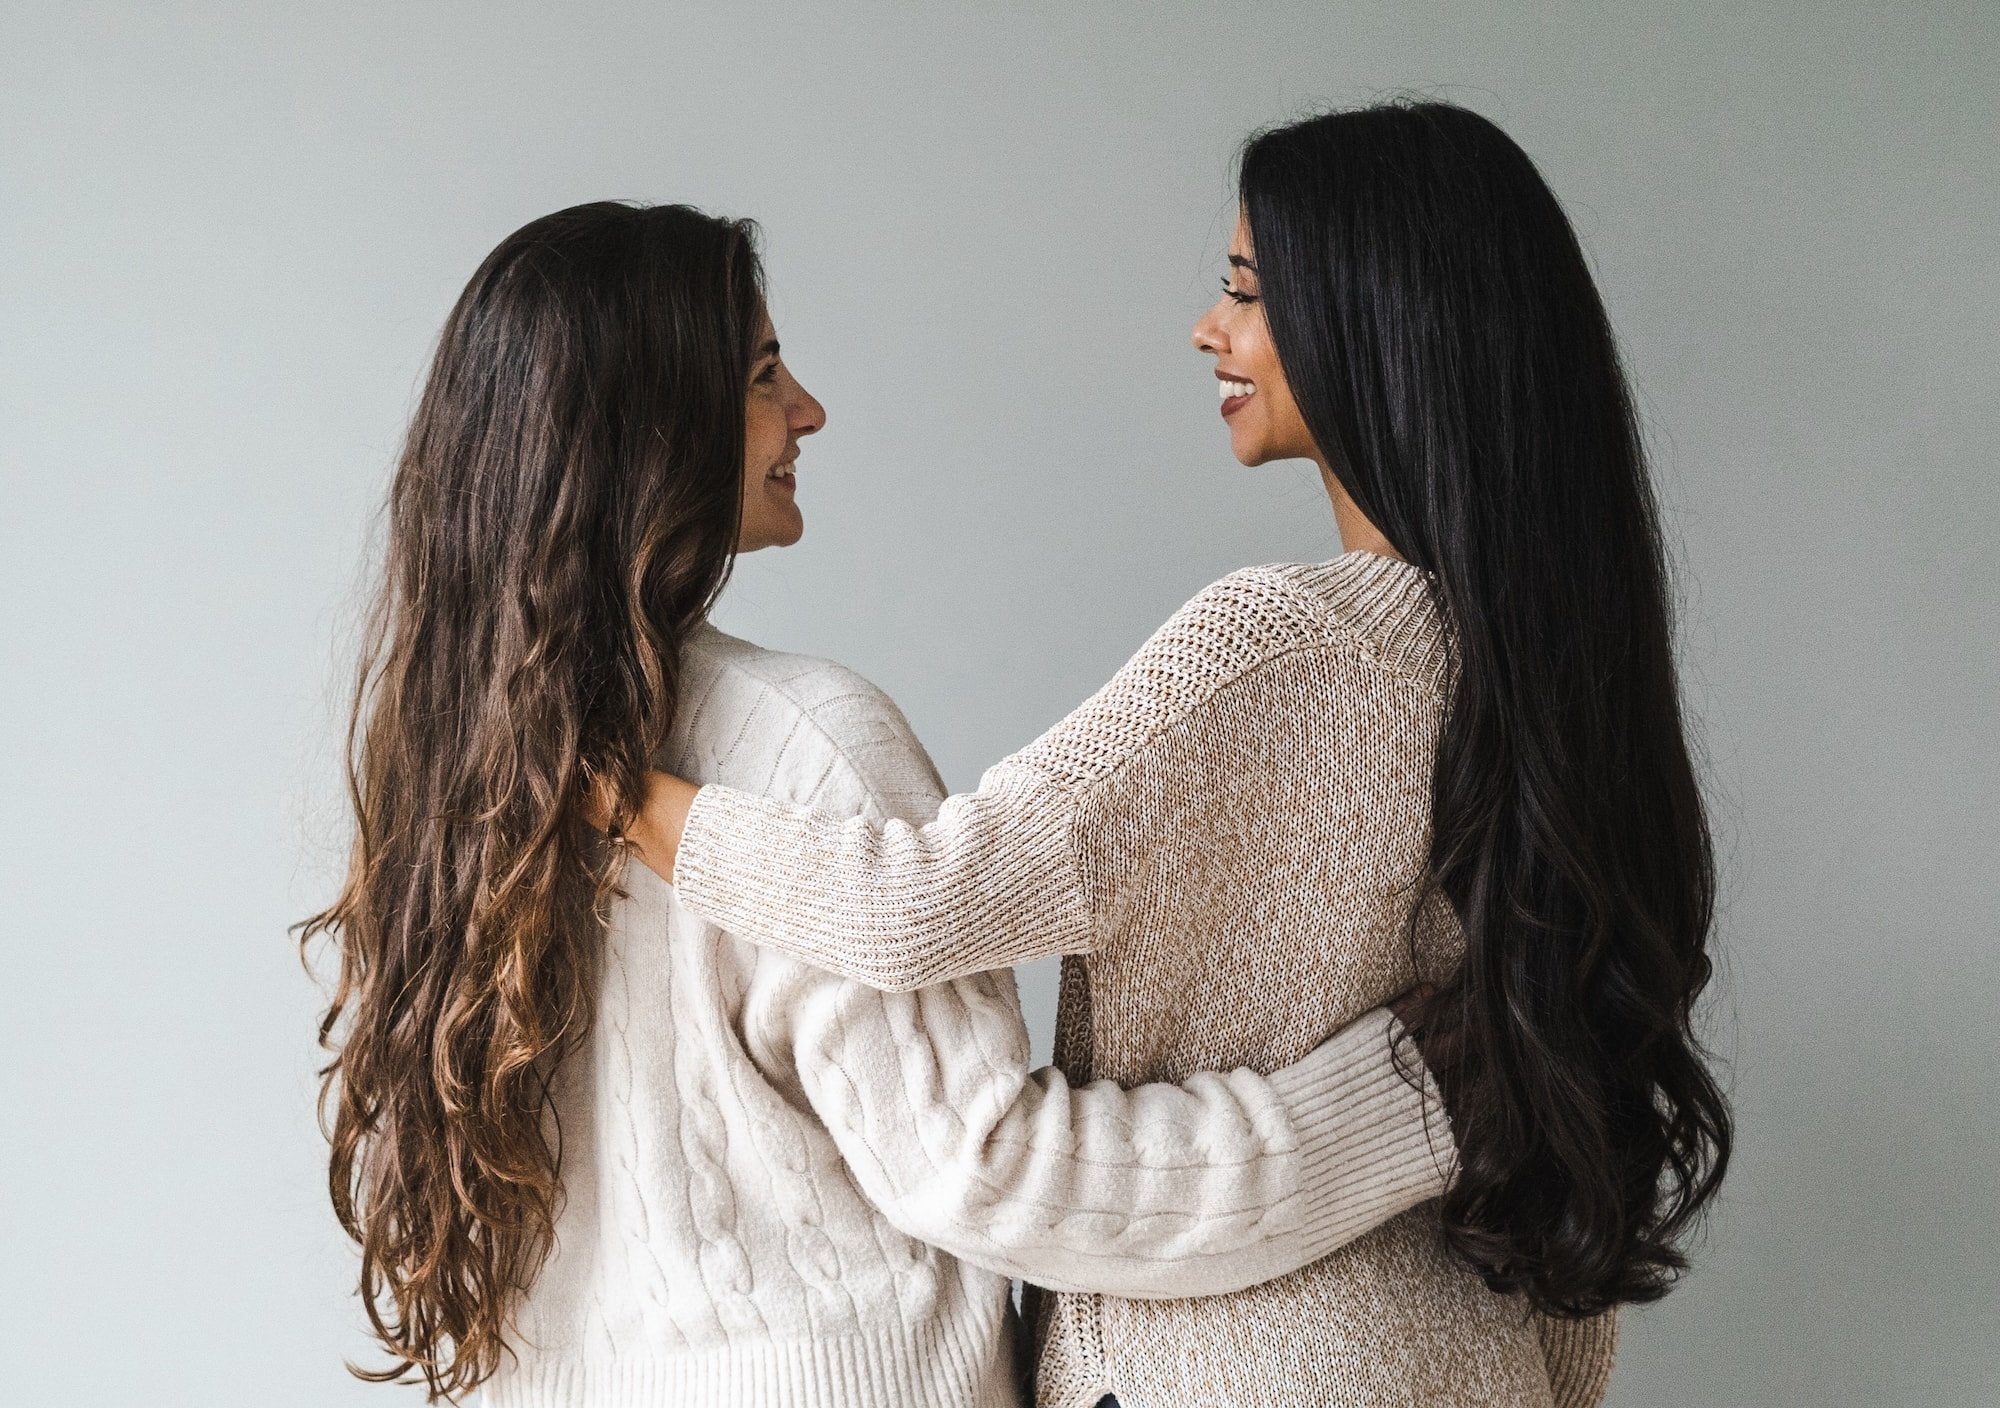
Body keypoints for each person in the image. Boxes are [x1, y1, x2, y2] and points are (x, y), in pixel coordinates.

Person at [616, 101, 1732, 1408]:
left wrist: (626, 796)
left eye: (1248, 293)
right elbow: (1570, 1194)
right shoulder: (1553, 687)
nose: (1212, 329)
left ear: (1374, 324)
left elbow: (920, 901)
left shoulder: (1277, 647)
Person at [301, 200, 1457, 1408]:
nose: (805, 408)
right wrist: (1404, 1100)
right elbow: (1001, 1169)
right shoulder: (801, 742)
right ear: (646, 424)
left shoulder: (455, 788)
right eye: (759, 374)